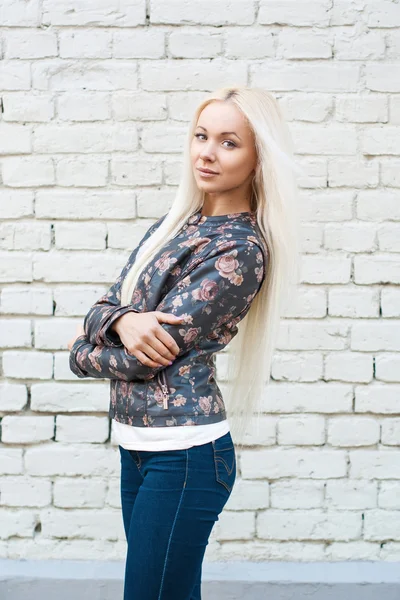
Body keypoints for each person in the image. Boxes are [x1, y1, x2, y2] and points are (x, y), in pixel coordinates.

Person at [68, 86, 300, 600]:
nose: (207, 152)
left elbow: (136, 358)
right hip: (138, 447)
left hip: (186, 454)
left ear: (259, 157)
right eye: (201, 136)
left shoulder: (239, 250)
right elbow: (107, 309)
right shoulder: (174, 226)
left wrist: (89, 344)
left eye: (228, 142)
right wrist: (124, 320)